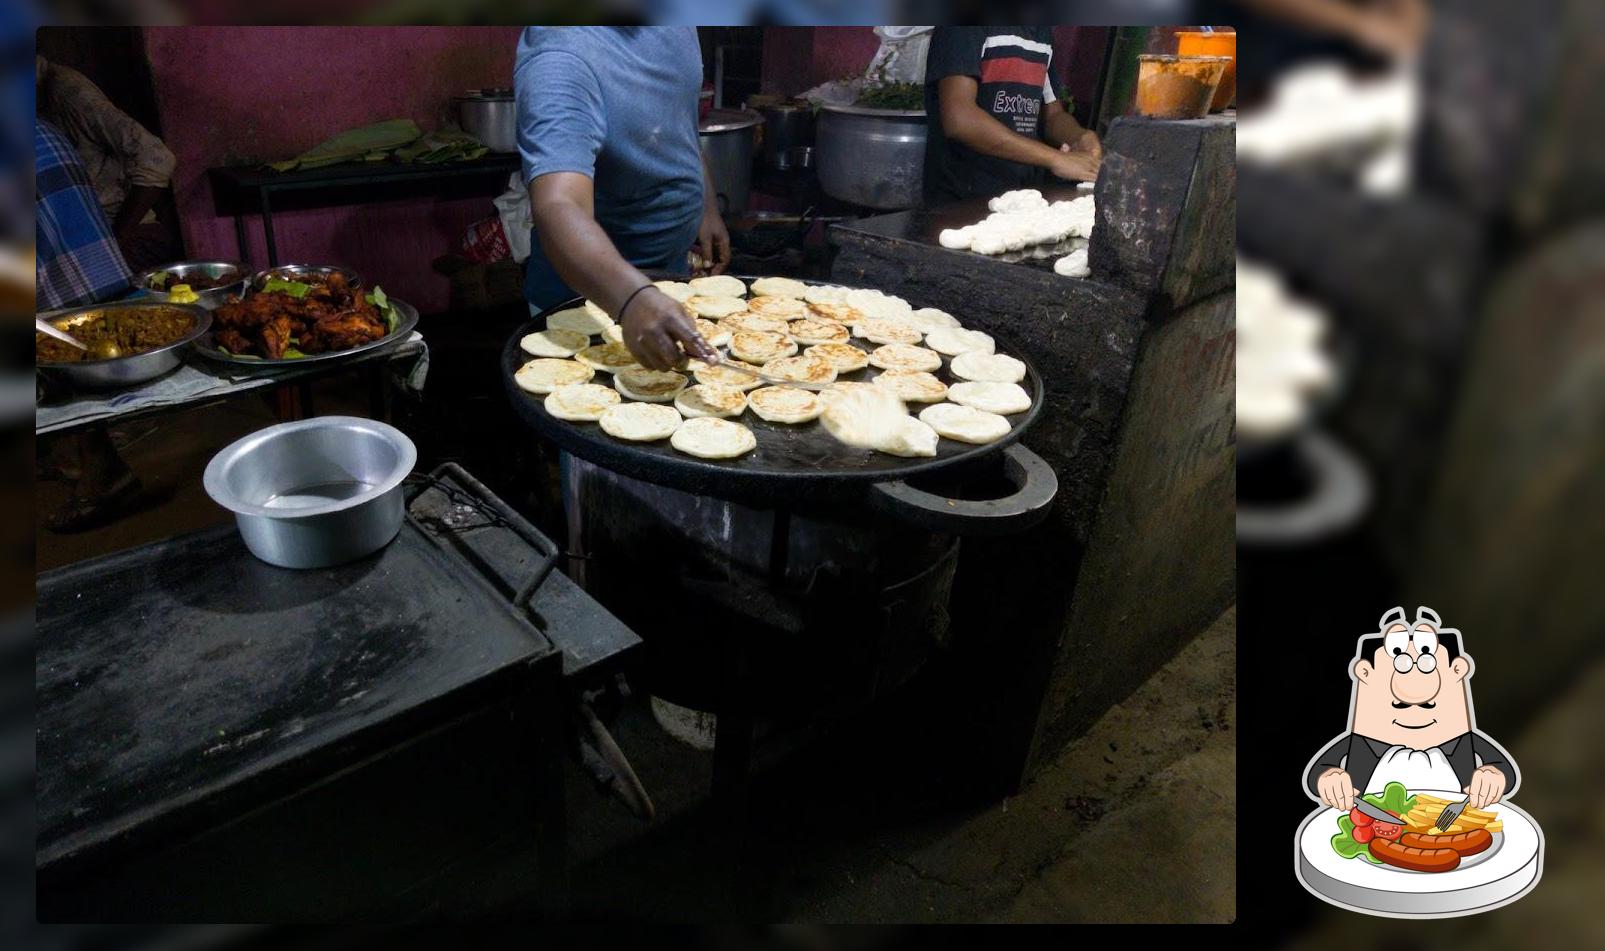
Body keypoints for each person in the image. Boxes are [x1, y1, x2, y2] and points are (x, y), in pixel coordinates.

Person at [514, 26, 727, 371]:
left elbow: (675, 117)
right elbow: (558, 204)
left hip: (667, 284)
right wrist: (631, 298)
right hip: (588, 303)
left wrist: (706, 205)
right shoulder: (560, 59)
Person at [1304, 607, 1518, 812]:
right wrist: (1329, 778)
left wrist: (1493, 776)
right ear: (1365, 674)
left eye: (1426, 704)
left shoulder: (1464, 741)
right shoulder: (1359, 743)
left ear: (1457, 671)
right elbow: (1321, 771)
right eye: (1402, 704)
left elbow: (1503, 769)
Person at [35, 118, 141, 531]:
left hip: (67, 282)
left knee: (61, 351)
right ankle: (72, 456)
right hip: (89, 273)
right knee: (71, 348)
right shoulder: (42, 126)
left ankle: (103, 470)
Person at [922, 27, 1102, 204]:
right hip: (961, 203)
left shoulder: (1040, 31)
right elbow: (960, 120)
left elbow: (1052, 115)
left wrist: (1079, 136)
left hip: (1020, 198)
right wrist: (1056, 159)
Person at [35, 55, 177, 272]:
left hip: (125, 235)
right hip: (80, 240)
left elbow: (157, 157)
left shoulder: (66, 91)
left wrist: (116, 240)